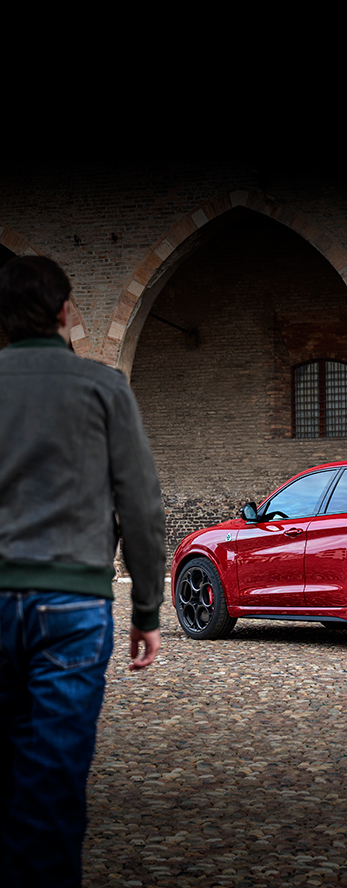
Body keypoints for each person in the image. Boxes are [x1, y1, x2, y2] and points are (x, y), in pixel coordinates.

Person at [0, 256, 166, 888]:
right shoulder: (103, 388)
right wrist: (147, 610)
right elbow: (142, 506)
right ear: (67, 313)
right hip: (72, 609)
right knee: (51, 783)